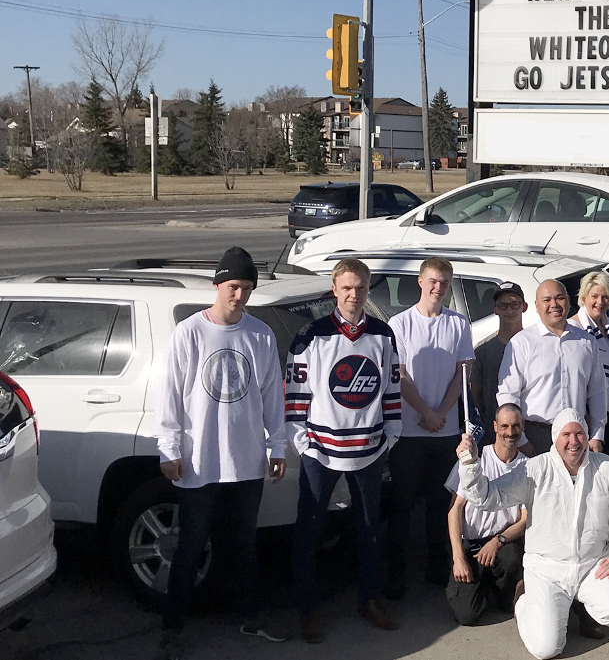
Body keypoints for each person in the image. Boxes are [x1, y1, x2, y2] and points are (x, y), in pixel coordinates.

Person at [153, 247, 287, 660]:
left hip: (245, 461)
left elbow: (271, 397)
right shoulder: (190, 332)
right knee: (191, 545)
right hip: (199, 462)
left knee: (244, 544)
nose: (239, 296)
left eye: (246, 288)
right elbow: (171, 395)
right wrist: (168, 448)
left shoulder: (260, 334)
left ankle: (250, 617)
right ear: (217, 285)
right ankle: (172, 628)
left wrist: (276, 445)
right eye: (233, 287)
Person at [455, 409, 609, 660]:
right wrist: (470, 464)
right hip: (546, 570)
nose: (573, 441)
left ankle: (575, 606)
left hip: (591, 566)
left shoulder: (607, 467)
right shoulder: (535, 469)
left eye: (579, 434)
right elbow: (487, 497)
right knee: (547, 649)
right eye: (566, 435)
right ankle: (524, 601)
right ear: (555, 438)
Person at [286, 258, 402, 643]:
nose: (354, 295)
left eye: (361, 288)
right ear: (334, 290)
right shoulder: (311, 335)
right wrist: (303, 444)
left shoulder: (384, 335)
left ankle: (369, 600)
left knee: (370, 530)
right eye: (347, 288)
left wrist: (390, 434)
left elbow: (390, 391)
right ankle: (307, 610)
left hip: (369, 451)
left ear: (369, 291)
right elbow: (296, 398)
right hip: (321, 452)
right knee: (309, 531)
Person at [384, 257, 475, 596]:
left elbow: (461, 373)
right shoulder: (400, 323)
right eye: (433, 281)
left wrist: (442, 413)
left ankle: (439, 571)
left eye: (445, 282)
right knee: (403, 506)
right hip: (409, 432)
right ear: (421, 282)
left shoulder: (458, 324)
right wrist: (424, 411)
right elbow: (400, 376)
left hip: (446, 431)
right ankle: (396, 578)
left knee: (443, 504)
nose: (438, 287)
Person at [497, 280, 608, 454]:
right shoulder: (521, 343)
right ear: (536, 305)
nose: (554, 305)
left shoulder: (586, 341)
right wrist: (521, 440)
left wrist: (597, 434)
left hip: (575, 436)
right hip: (535, 436)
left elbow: (598, 391)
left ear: (568, 301)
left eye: (559, 298)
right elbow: (508, 395)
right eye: (547, 300)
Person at [445, 404, 529, 626]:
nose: (510, 432)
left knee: (512, 559)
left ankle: (503, 591)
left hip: (503, 544)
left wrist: (497, 541)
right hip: (470, 545)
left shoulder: (529, 467)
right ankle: (477, 586)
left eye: (515, 426)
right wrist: (458, 558)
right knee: (467, 616)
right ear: (495, 427)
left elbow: (525, 519)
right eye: (504, 426)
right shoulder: (476, 458)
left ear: (523, 427)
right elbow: (454, 511)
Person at [570, 271, 609, 457]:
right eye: (594, 296)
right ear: (584, 297)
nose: (600, 302)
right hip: (592, 415)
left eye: (605, 297)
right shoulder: (574, 329)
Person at [469, 281, 529, 449]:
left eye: (514, 304)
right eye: (503, 305)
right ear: (495, 309)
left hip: (530, 433)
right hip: (494, 437)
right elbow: (476, 395)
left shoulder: (536, 344)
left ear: (524, 306)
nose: (509, 310)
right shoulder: (482, 350)